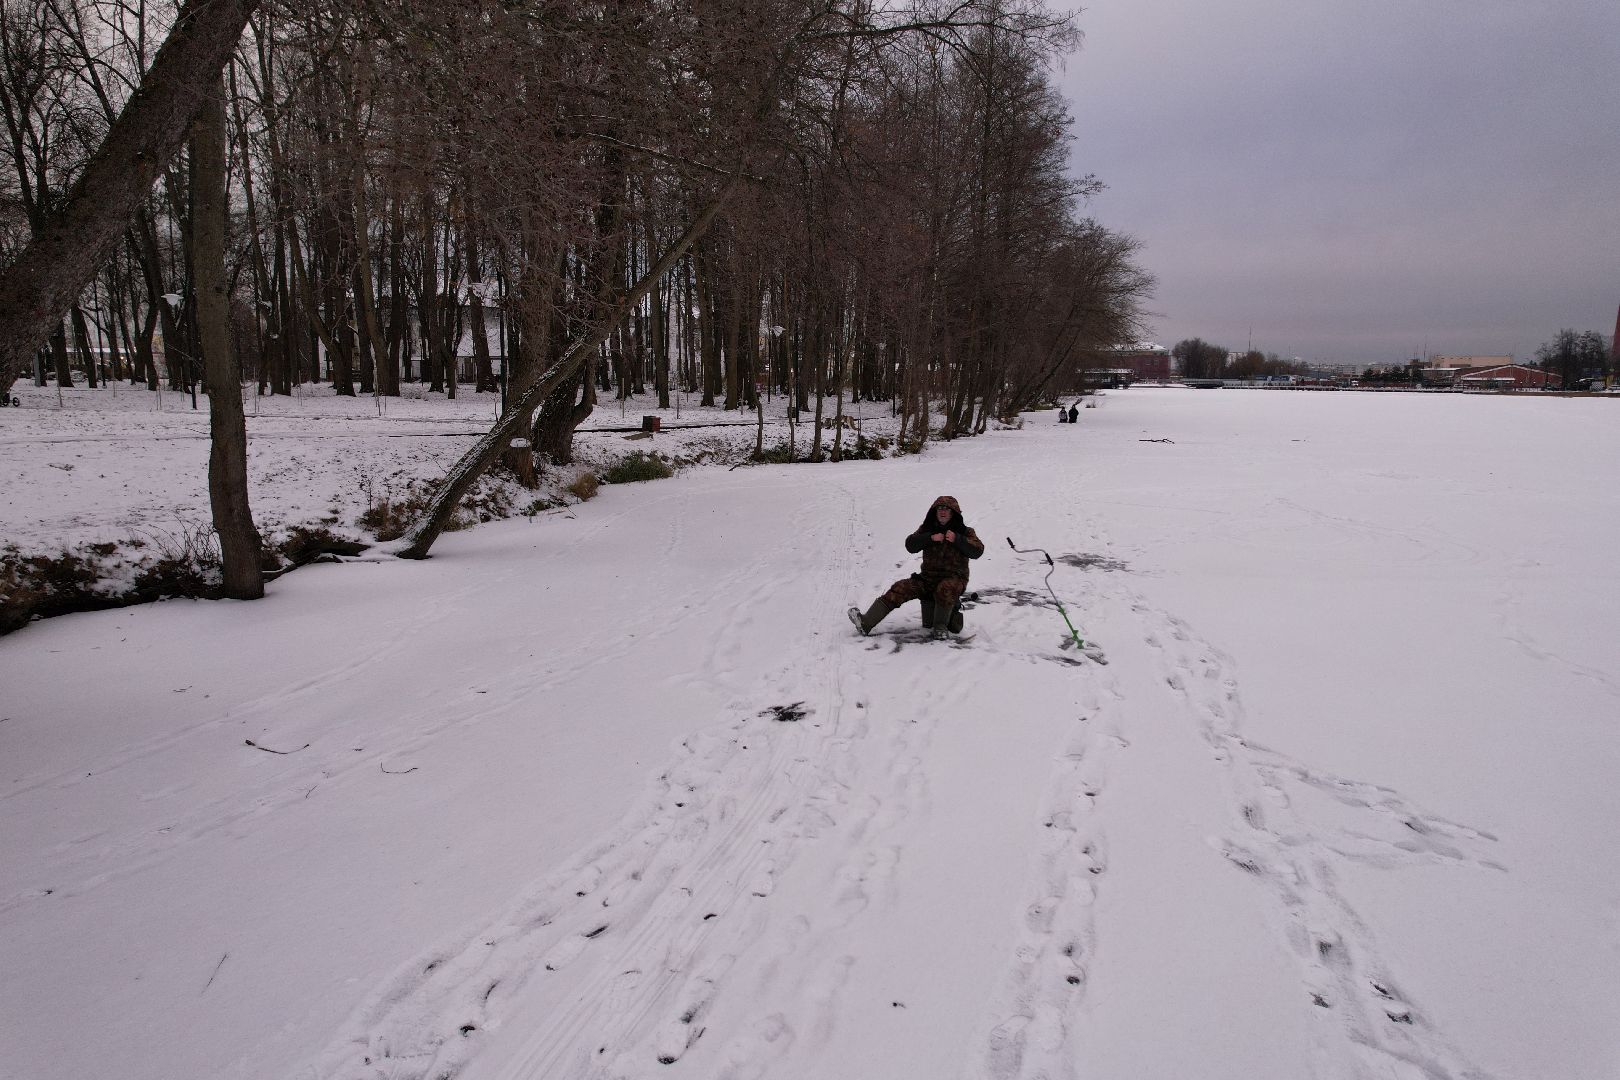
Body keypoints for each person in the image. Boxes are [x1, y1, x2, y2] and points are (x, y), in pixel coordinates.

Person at [849, 495, 985, 639]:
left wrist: (957, 539)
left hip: (954, 580)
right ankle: (865, 623)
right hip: (927, 579)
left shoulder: (965, 532)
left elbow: (978, 551)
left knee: (946, 587)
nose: (943, 511)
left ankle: (940, 628)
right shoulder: (928, 529)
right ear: (935, 511)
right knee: (900, 587)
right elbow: (910, 545)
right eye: (940, 508)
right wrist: (930, 538)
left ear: (953, 513)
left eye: (947, 509)